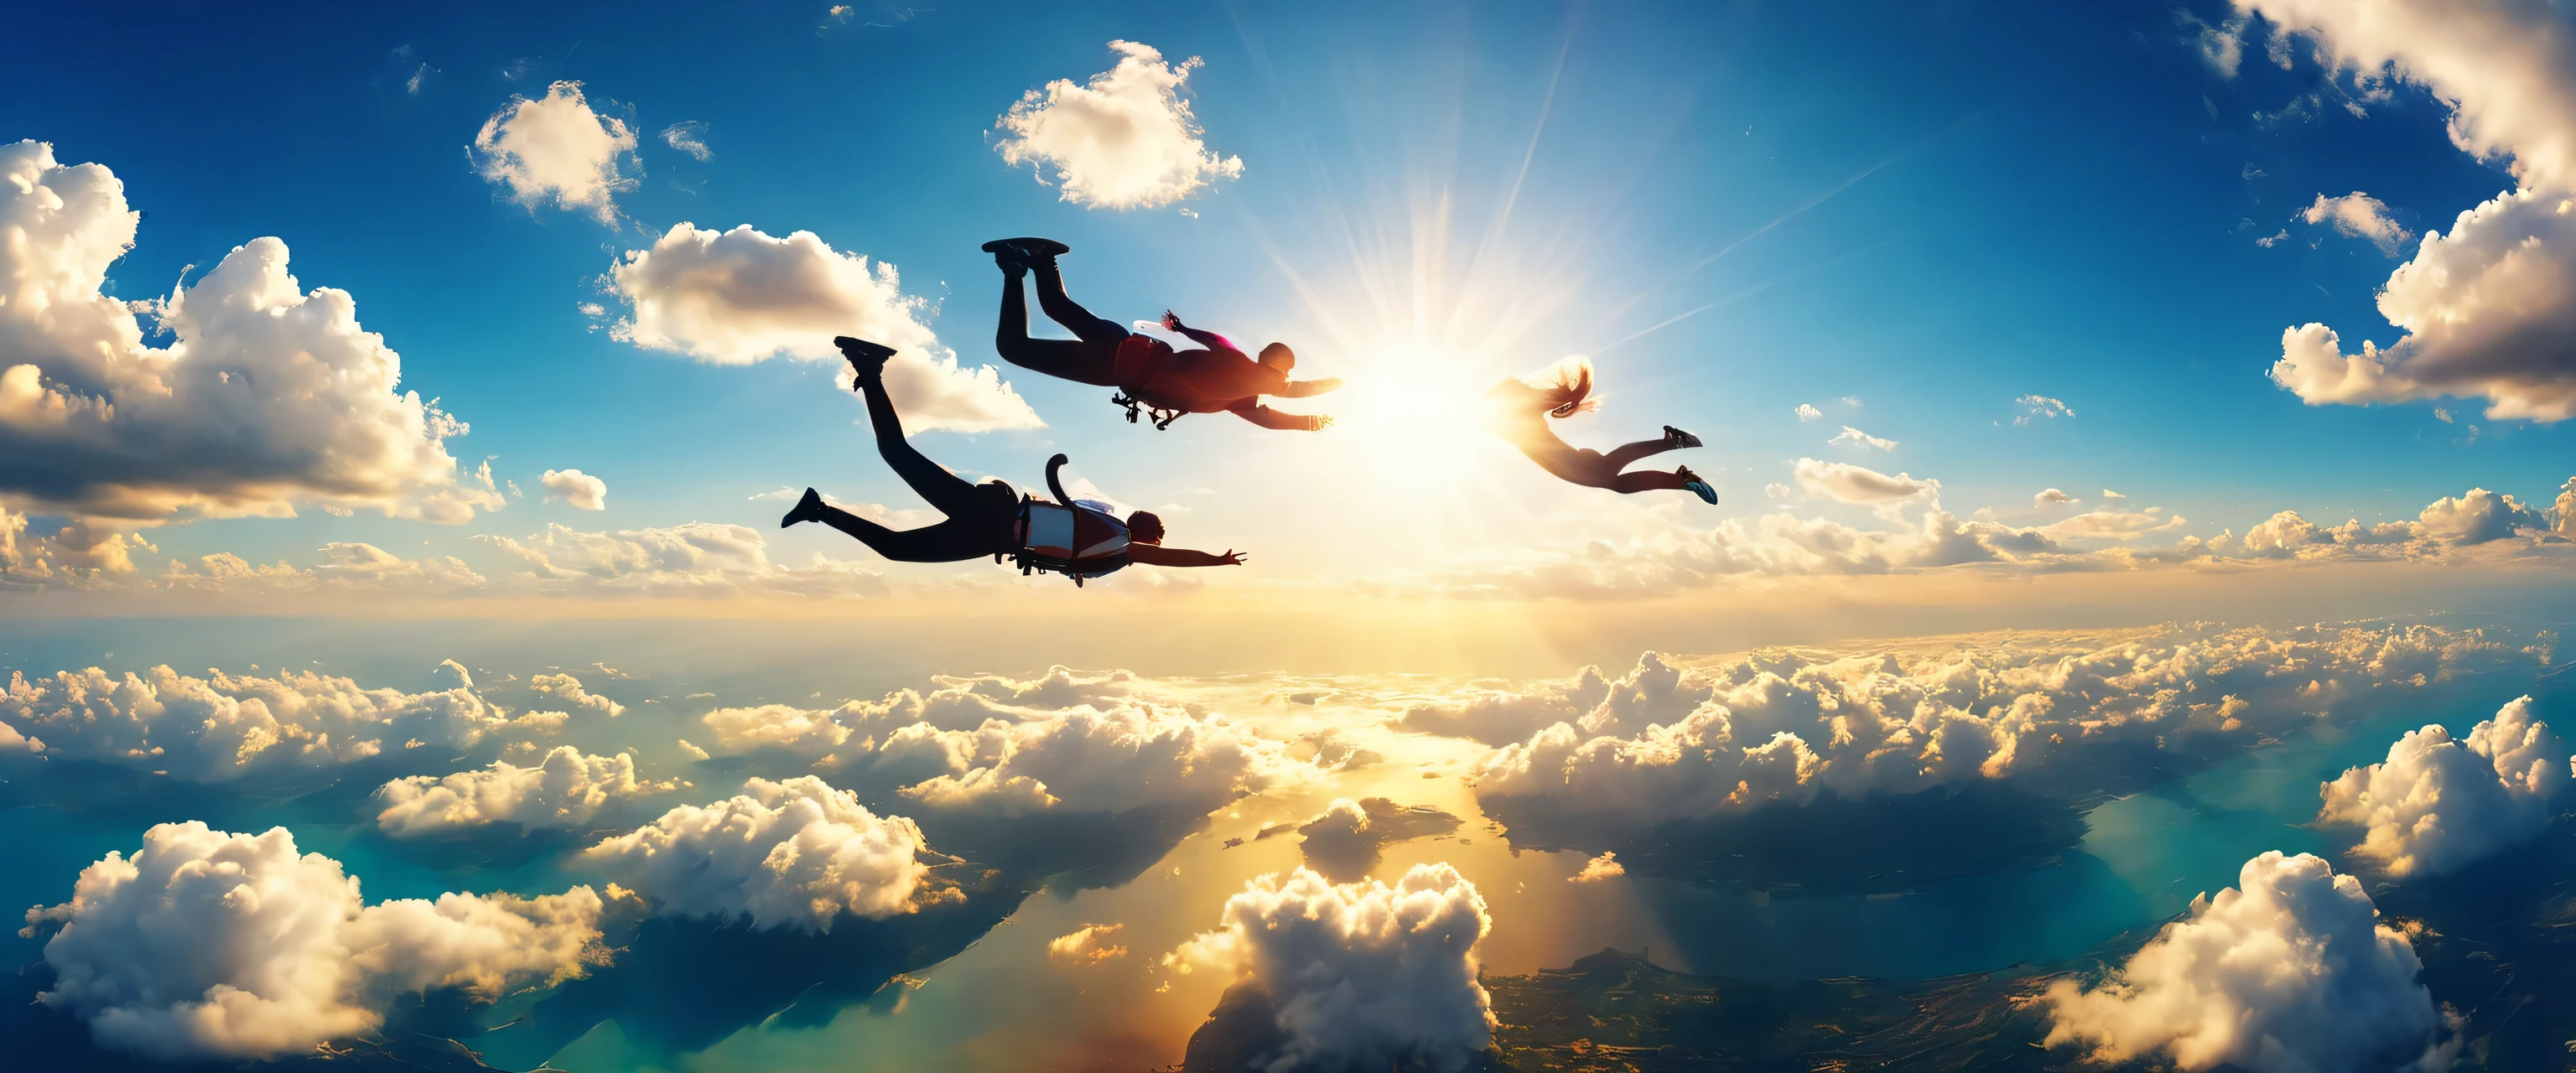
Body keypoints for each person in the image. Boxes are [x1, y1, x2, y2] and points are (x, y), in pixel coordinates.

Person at [781, 336, 1247, 582]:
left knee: (896, 460)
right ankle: (869, 371)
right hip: (992, 525)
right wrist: (1215, 562)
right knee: (895, 525)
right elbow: (1173, 560)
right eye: (1154, 545)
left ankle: (820, 502)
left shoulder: (1105, 522)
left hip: (996, 512)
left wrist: (1215, 559)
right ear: (1145, 540)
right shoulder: (1123, 548)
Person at [984, 236, 1341, 431]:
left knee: (1041, 321)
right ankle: (1029, 264)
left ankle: (1034, 261)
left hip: (1117, 358)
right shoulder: (1244, 376)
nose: (1282, 381)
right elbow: (1291, 395)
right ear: (1278, 370)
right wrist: (1342, 384)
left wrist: (1311, 423)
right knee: (1021, 341)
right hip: (1118, 357)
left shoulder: (1239, 395)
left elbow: (1272, 417)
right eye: (1283, 374)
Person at [1489, 356, 1719, 503]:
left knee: (1610, 473)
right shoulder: (1518, 416)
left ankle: (1674, 449)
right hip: (1571, 465)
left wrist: (1570, 401)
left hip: (1573, 465)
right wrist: (1569, 405)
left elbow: (1544, 403)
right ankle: (1684, 479)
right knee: (1616, 483)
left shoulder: (1520, 414)